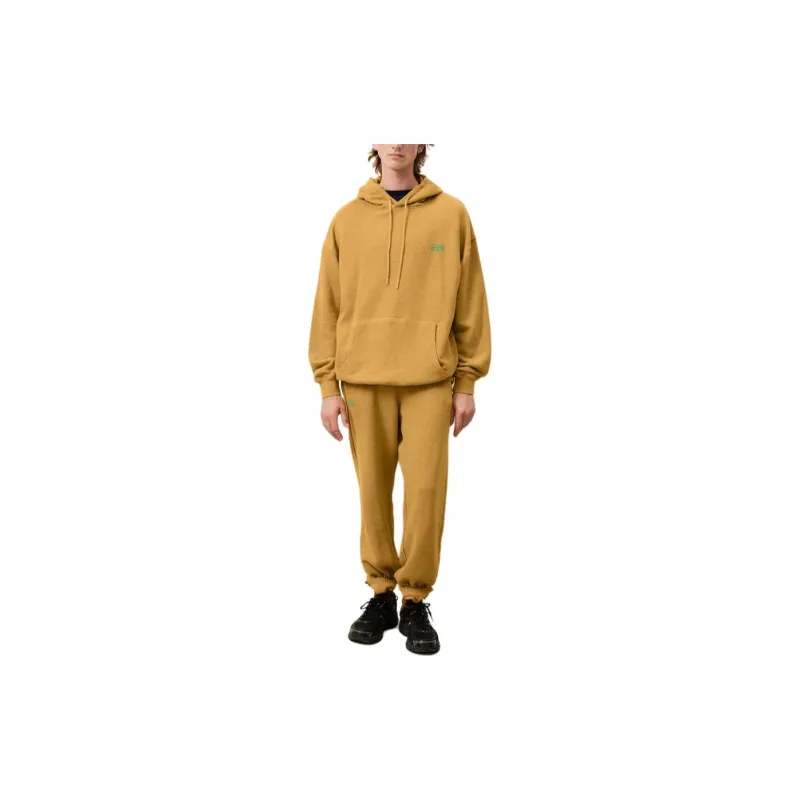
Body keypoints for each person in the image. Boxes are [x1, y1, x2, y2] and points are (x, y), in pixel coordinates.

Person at [308, 144, 491, 655]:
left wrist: (467, 381)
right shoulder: (346, 220)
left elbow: (470, 299)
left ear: (422, 144)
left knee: (426, 491)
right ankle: (381, 593)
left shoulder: (452, 214)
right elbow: (327, 304)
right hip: (362, 378)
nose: (396, 143)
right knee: (372, 490)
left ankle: (415, 598)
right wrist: (327, 385)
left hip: (430, 378)